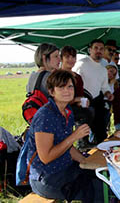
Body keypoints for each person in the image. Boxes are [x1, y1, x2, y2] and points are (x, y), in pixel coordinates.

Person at [27, 70, 103, 202]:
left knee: (102, 176)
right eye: (61, 87)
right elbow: (46, 157)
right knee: (96, 188)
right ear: (51, 91)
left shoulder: (67, 111)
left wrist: (86, 161)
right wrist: (74, 136)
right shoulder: (46, 116)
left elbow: (66, 146)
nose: (67, 91)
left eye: (70, 86)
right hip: (47, 177)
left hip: (65, 167)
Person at [72, 39, 114, 144]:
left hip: (96, 102)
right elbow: (73, 83)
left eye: (101, 49)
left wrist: (108, 94)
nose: (98, 51)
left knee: (101, 134)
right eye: (96, 48)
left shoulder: (103, 69)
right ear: (90, 50)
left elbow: (104, 87)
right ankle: (83, 146)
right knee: (84, 136)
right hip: (81, 103)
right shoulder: (81, 64)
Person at [60, 46, 94, 145]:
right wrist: (76, 100)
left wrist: (82, 102)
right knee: (85, 113)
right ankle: (81, 142)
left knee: (90, 110)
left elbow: (80, 95)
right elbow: (59, 98)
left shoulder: (77, 77)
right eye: (67, 57)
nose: (71, 60)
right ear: (61, 58)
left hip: (73, 107)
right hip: (61, 107)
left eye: (73, 57)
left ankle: (84, 141)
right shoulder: (57, 76)